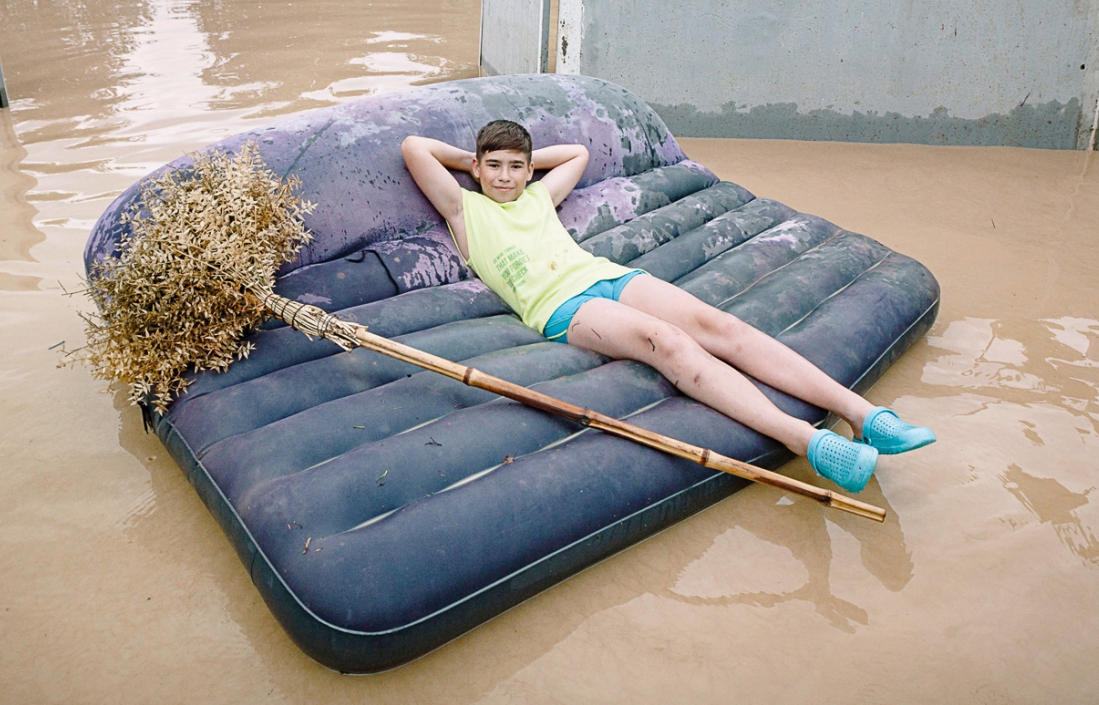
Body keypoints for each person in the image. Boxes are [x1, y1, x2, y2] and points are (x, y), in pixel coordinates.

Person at [400, 119, 934, 492]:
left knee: (717, 324)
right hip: (562, 308)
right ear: (475, 166)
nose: (504, 177)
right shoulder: (464, 209)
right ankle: (808, 443)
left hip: (605, 276)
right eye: (492, 166)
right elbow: (414, 147)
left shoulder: (539, 195)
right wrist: (473, 164)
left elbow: (576, 155)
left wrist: (525, 161)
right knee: (667, 342)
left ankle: (866, 416)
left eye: (515, 167)